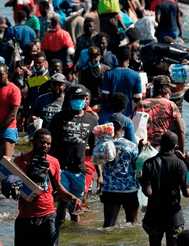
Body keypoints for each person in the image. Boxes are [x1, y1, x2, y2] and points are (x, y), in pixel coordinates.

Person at [14, 128, 82, 246]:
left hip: (48, 217)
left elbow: (58, 187)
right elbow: (9, 189)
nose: (45, 145)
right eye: (42, 142)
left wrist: (72, 197)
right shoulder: (19, 161)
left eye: (48, 143)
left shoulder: (54, 162)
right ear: (33, 141)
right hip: (25, 218)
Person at [140, 131, 189, 246]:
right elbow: (187, 192)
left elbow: (148, 192)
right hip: (173, 215)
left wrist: (141, 180)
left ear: (160, 143)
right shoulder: (179, 164)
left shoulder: (148, 164)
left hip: (154, 214)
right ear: (175, 146)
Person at [48, 85, 97, 223]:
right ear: (70, 99)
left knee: (76, 207)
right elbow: (49, 141)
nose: (78, 100)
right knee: (62, 201)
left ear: (86, 100)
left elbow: (94, 146)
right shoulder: (59, 117)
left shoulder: (92, 120)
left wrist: (99, 172)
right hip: (61, 167)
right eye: (75, 98)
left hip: (79, 169)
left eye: (81, 98)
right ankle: (58, 230)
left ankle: (76, 234)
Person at [100, 113, 140, 228]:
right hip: (129, 189)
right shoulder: (131, 146)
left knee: (108, 226)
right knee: (133, 225)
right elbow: (136, 163)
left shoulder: (103, 144)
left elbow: (98, 160)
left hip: (110, 189)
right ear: (123, 127)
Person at [133, 75, 185, 150]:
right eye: (169, 88)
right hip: (162, 149)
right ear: (163, 89)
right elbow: (181, 130)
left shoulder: (142, 104)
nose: (170, 91)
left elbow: (135, 126)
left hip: (143, 146)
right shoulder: (171, 105)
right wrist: (182, 151)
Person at [99, 46, 142, 122]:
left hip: (111, 115)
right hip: (128, 115)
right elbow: (138, 99)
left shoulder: (109, 74)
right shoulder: (135, 75)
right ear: (129, 58)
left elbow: (105, 97)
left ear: (117, 58)